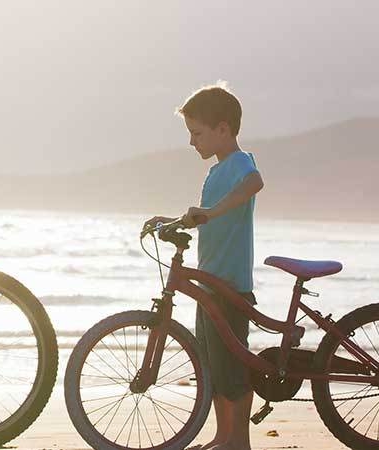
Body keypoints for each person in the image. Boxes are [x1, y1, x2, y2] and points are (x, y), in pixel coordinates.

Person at [146, 83, 265, 450]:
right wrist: (170, 221)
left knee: (232, 365)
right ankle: (222, 436)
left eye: (197, 133)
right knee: (211, 364)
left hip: (229, 284)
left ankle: (238, 442)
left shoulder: (240, 163)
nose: (192, 141)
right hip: (209, 283)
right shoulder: (214, 173)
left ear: (223, 129)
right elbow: (202, 218)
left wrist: (211, 212)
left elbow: (254, 184)